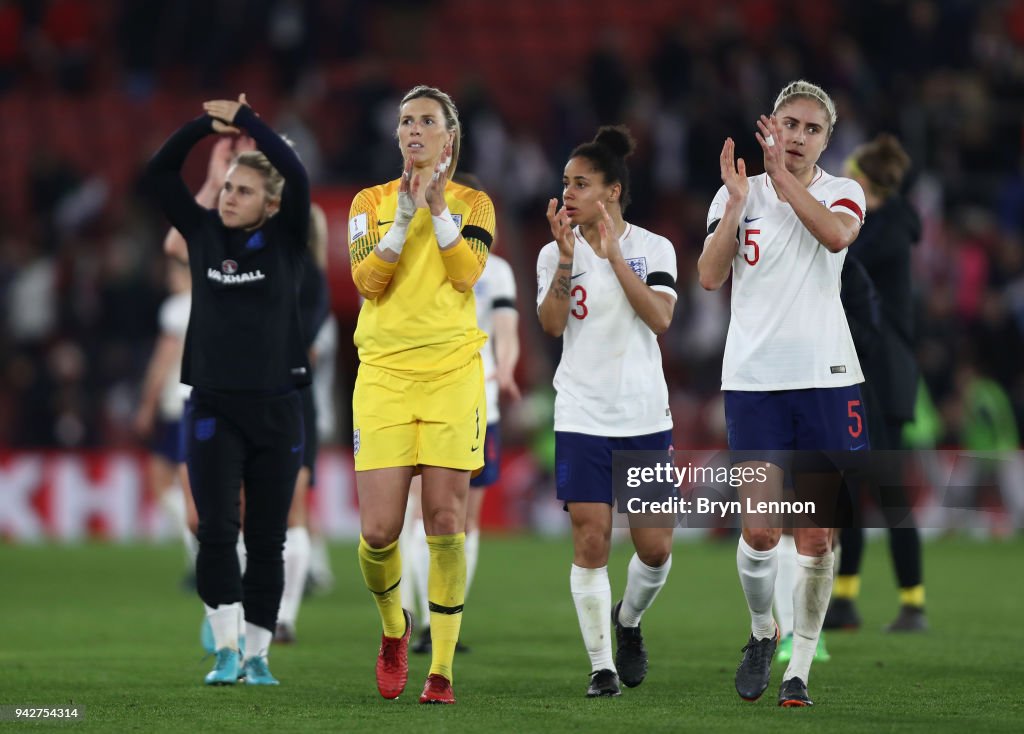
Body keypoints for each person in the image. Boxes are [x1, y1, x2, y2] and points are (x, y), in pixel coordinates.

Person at [698, 80, 867, 707]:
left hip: (825, 380)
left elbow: (835, 236)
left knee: (817, 536)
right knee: (763, 530)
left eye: (811, 129)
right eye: (789, 125)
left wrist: (779, 178)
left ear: (826, 138)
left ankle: (799, 670)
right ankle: (761, 630)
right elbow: (711, 277)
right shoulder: (734, 193)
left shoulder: (842, 192)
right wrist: (741, 200)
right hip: (755, 380)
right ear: (771, 124)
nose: (797, 137)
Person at [144, 93, 311, 686]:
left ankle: (259, 655)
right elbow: (158, 173)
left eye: (242, 191)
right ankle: (225, 649)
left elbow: (294, 171)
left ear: (271, 206)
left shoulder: (288, 238)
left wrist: (248, 124)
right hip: (213, 404)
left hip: (277, 409)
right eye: (226, 189)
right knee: (215, 530)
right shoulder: (202, 232)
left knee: (267, 539)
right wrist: (202, 127)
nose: (228, 197)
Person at [348, 85, 494, 705]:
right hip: (382, 375)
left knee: (444, 521)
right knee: (379, 531)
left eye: (426, 121)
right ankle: (393, 630)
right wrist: (404, 217)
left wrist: (436, 214)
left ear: (448, 138)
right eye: (405, 120)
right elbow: (366, 281)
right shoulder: (369, 202)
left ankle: (441, 671)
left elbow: (466, 274)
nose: (413, 130)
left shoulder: (474, 204)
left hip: (452, 375)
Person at [537, 125, 677, 698]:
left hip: (644, 414)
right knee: (591, 538)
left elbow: (661, 319)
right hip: (581, 413)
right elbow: (550, 325)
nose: (567, 193)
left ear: (612, 191)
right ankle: (601, 666)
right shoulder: (553, 250)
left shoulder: (654, 248)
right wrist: (569, 261)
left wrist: (613, 256)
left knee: (655, 548)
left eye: (581, 183)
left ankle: (629, 621)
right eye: (565, 183)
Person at [402, 173, 521, 653]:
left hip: (478, 398)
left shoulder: (497, 270)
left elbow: (506, 330)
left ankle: (439, 621)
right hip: (421, 395)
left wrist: (507, 368)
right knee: (419, 512)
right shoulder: (419, 255)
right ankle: (417, 619)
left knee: (462, 518)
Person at [824, 134, 928, 633]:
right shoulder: (887, 228)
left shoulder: (882, 232)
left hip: (882, 374)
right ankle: (845, 598)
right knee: (851, 486)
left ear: (864, 180)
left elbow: (840, 250)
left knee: (887, 489)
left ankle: (913, 603)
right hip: (865, 366)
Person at [275, 201, 330, 644]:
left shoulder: (306, 279)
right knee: (287, 510)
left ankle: (282, 616)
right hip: (291, 399)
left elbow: (301, 341)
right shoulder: (312, 278)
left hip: (285, 398)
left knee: (286, 509)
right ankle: (276, 615)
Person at [134, 257, 194, 583]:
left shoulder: (176, 308)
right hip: (205, 399)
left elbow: (164, 358)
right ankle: (200, 550)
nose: (170, 277)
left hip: (176, 403)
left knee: (163, 482)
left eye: (174, 270)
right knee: (192, 484)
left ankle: (197, 549)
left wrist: (147, 402)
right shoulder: (211, 303)